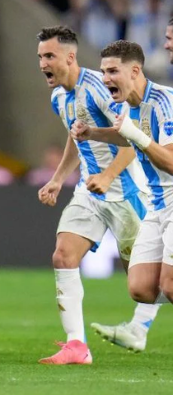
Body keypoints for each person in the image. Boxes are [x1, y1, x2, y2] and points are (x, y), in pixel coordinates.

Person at [35, 26, 158, 365]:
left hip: (126, 193)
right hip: (89, 192)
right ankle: (77, 346)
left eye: (49, 56)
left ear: (69, 57)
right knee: (63, 256)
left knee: (146, 281)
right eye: (40, 57)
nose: (43, 63)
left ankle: (140, 328)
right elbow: (77, 140)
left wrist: (108, 174)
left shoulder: (100, 89)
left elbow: (134, 138)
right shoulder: (59, 96)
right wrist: (58, 178)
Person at [72, 36, 173, 318]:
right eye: (103, 72)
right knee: (141, 289)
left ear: (135, 71)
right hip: (157, 205)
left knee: (170, 284)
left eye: (113, 71)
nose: (105, 78)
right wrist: (92, 133)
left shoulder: (164, 103)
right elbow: (125, 135)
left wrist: (135, 134)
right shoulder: (127, 106)